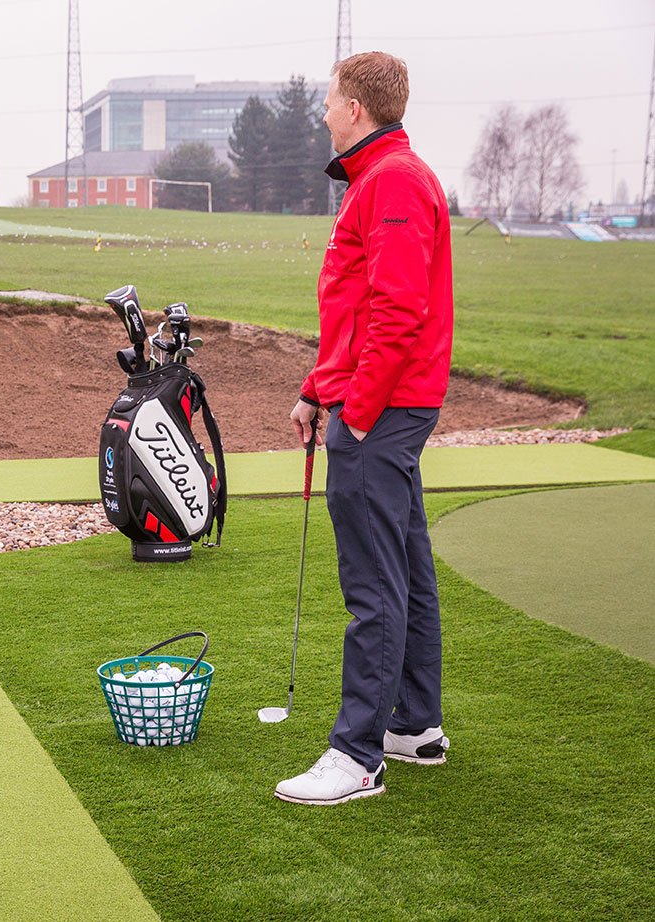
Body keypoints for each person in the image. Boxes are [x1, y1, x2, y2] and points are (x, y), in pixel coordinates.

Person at [276, 52, 455, 805]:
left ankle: (357, 756)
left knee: (373, 586)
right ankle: (413, 727)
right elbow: (353, 310)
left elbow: (397, 311)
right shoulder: (377, 179)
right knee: (406, 565)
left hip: (382, 409)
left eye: (328, 99)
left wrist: (356, 411)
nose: (322, 110)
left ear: (356, 107)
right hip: (374, 402)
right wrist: (320, 388)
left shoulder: (392, 182)